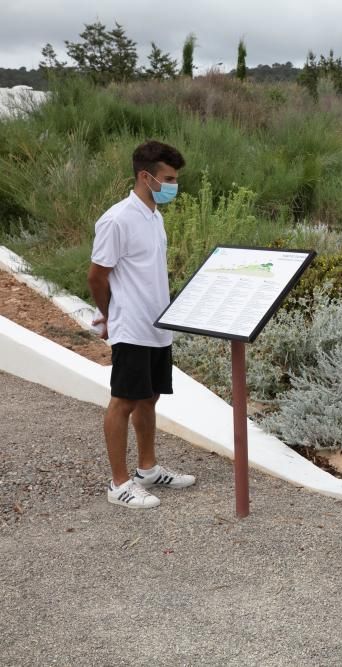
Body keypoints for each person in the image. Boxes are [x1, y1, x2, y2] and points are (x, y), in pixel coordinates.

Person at [88, 140, 196, 509]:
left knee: (149, 396)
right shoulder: (117, 219)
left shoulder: (154, 215)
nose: (172, 186)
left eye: (175, 179)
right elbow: (96, 276)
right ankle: (119, 484)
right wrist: (110, 314)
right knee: (124, 400)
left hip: (158, 325)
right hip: (131, 325)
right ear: (145, 176)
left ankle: (147, 469)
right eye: (167, 178)